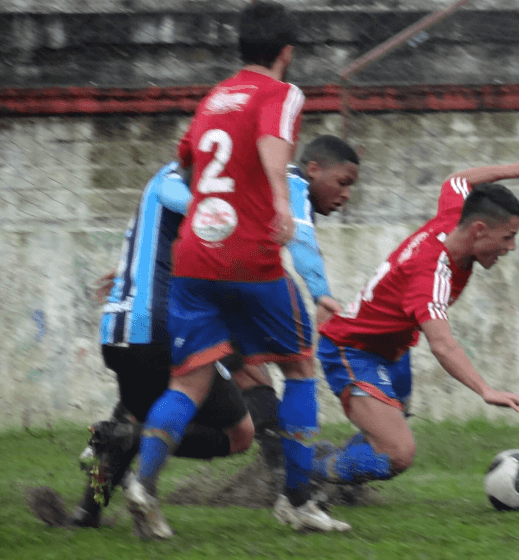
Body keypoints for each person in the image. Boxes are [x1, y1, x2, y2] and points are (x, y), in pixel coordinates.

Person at [126, 1, 353, 538]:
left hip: (195, 257)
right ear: (287, 53)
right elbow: (276, 150)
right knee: (299, 364)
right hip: (248, 255)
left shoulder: (212, 99)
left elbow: (185, 162)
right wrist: (278, 203)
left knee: (189, 382)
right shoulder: (281, 93)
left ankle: (143, 485)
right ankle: (297, 501)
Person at [71, 133, 362, 531]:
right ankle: (292, 489)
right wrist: (320, 291)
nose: (346, 195)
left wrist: (130, 271)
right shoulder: (280, 182)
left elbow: (172, 231)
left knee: (141, 409)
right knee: (244, 403)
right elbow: (280, 233)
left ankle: (89, 509)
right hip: (170, 314)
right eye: (343, 183)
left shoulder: (172, 182)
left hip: (131, 323)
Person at [308, 135, 519, 487]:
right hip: (352, 350)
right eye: (508, 237)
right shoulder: (431, 274)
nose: (511, 247)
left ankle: (339, 472)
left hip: (391, 349)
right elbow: (442, 344)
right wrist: (486, 390)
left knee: (389, 432)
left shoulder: (456, 218)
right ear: (480, 231)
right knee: (398, 453)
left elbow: (459, 180)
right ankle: (305, 475)